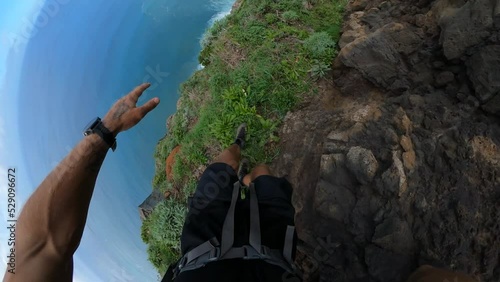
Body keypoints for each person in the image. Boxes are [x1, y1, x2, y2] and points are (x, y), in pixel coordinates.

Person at [3, 83, 478, 282]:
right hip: (262, 254)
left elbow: (39, 248)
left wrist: (102, 134)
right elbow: (41, 245)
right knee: (264, 186)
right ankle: (248, 166)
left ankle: (239, 155)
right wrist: (101, 135)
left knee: (223, 172)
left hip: (208, 250)